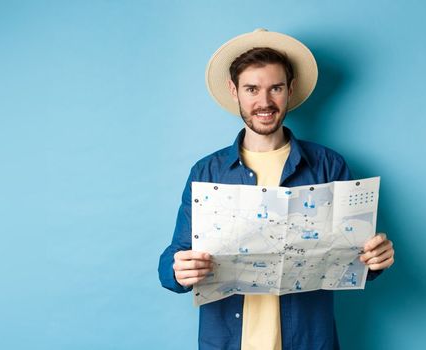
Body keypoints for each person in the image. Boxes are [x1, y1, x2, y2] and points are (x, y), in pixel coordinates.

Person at [157, 29, 395, 349]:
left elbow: (354, 257)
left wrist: (376, 258)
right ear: (234, 91)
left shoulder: (329, 166)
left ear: (290, 90)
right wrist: (178, 268)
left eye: (276, 88)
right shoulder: (206, 172)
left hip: (309, 340)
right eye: (252, 89)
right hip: (229, 340)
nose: (264, 102)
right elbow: (173, 259)